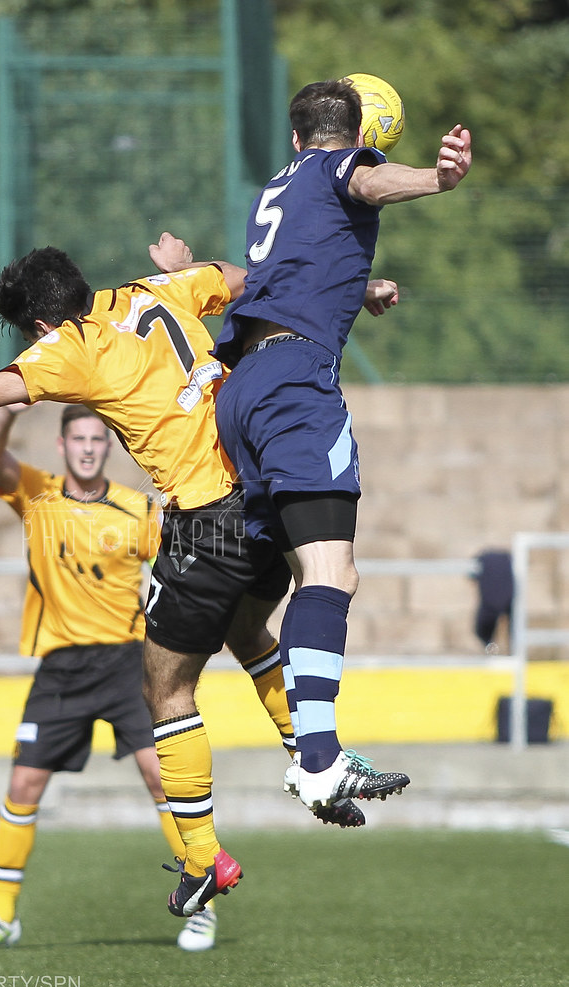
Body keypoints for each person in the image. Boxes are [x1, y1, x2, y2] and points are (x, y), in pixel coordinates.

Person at [0, 238, 393, 915]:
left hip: (207, 516)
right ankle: (315, 754)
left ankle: (202, 858)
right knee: (249, 631)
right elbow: (243, 277)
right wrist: (352, 292)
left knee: (163, 685)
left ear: (41, 325)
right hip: (264, 490)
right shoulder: (158, 290)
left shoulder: (68, 346)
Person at [206, 79, 472, 814]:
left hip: (243, 389)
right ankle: (317, 757)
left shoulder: (278, 185)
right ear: (358, 135)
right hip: (295, 385)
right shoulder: (341, 167)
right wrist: (436, 178)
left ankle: (314, 748)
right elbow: (364, 179)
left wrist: (363, 288)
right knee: (332, 573)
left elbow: (283, 278)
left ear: (294, 137)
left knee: (277, 585)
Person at [0, 403, 213, 951]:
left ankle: (201, 906)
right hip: (61, 667)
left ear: (109, 445)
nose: (89, 447)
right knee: (23, 785)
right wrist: (6, 406)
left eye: (98, 438)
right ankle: (2, 917)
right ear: (62, 445)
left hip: (126, 663)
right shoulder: (37, 497)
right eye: (79, 438)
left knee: (160, 775)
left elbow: (179, 563)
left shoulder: (137, 510)